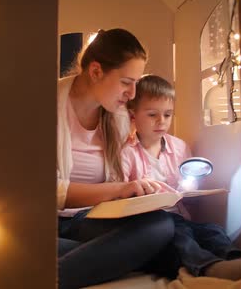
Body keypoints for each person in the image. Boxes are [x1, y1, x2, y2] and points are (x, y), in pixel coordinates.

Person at [56, 29, 176, 289]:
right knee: (157, 245)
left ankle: (87, 257)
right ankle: (53, 277)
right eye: (126, 82)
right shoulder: (50, 106)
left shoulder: (118, 117)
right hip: (55, 220)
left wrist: (138, 191)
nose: (132, 94)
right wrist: (120, 189)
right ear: (96, 71)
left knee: (163, 225)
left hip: (93, 219)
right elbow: (49, 192)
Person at [122, 74, 241, 280]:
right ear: (133, 116)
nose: (161, 121)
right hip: (151, 224)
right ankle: (208, 267)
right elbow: (121, 197)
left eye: (168, 115)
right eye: (152, 115)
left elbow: (189, 184)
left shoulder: (179, 147)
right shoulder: (126, 151)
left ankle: (235, 258)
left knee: (212, 230)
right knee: (180, 236)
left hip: (181, 216)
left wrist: (191, 188)